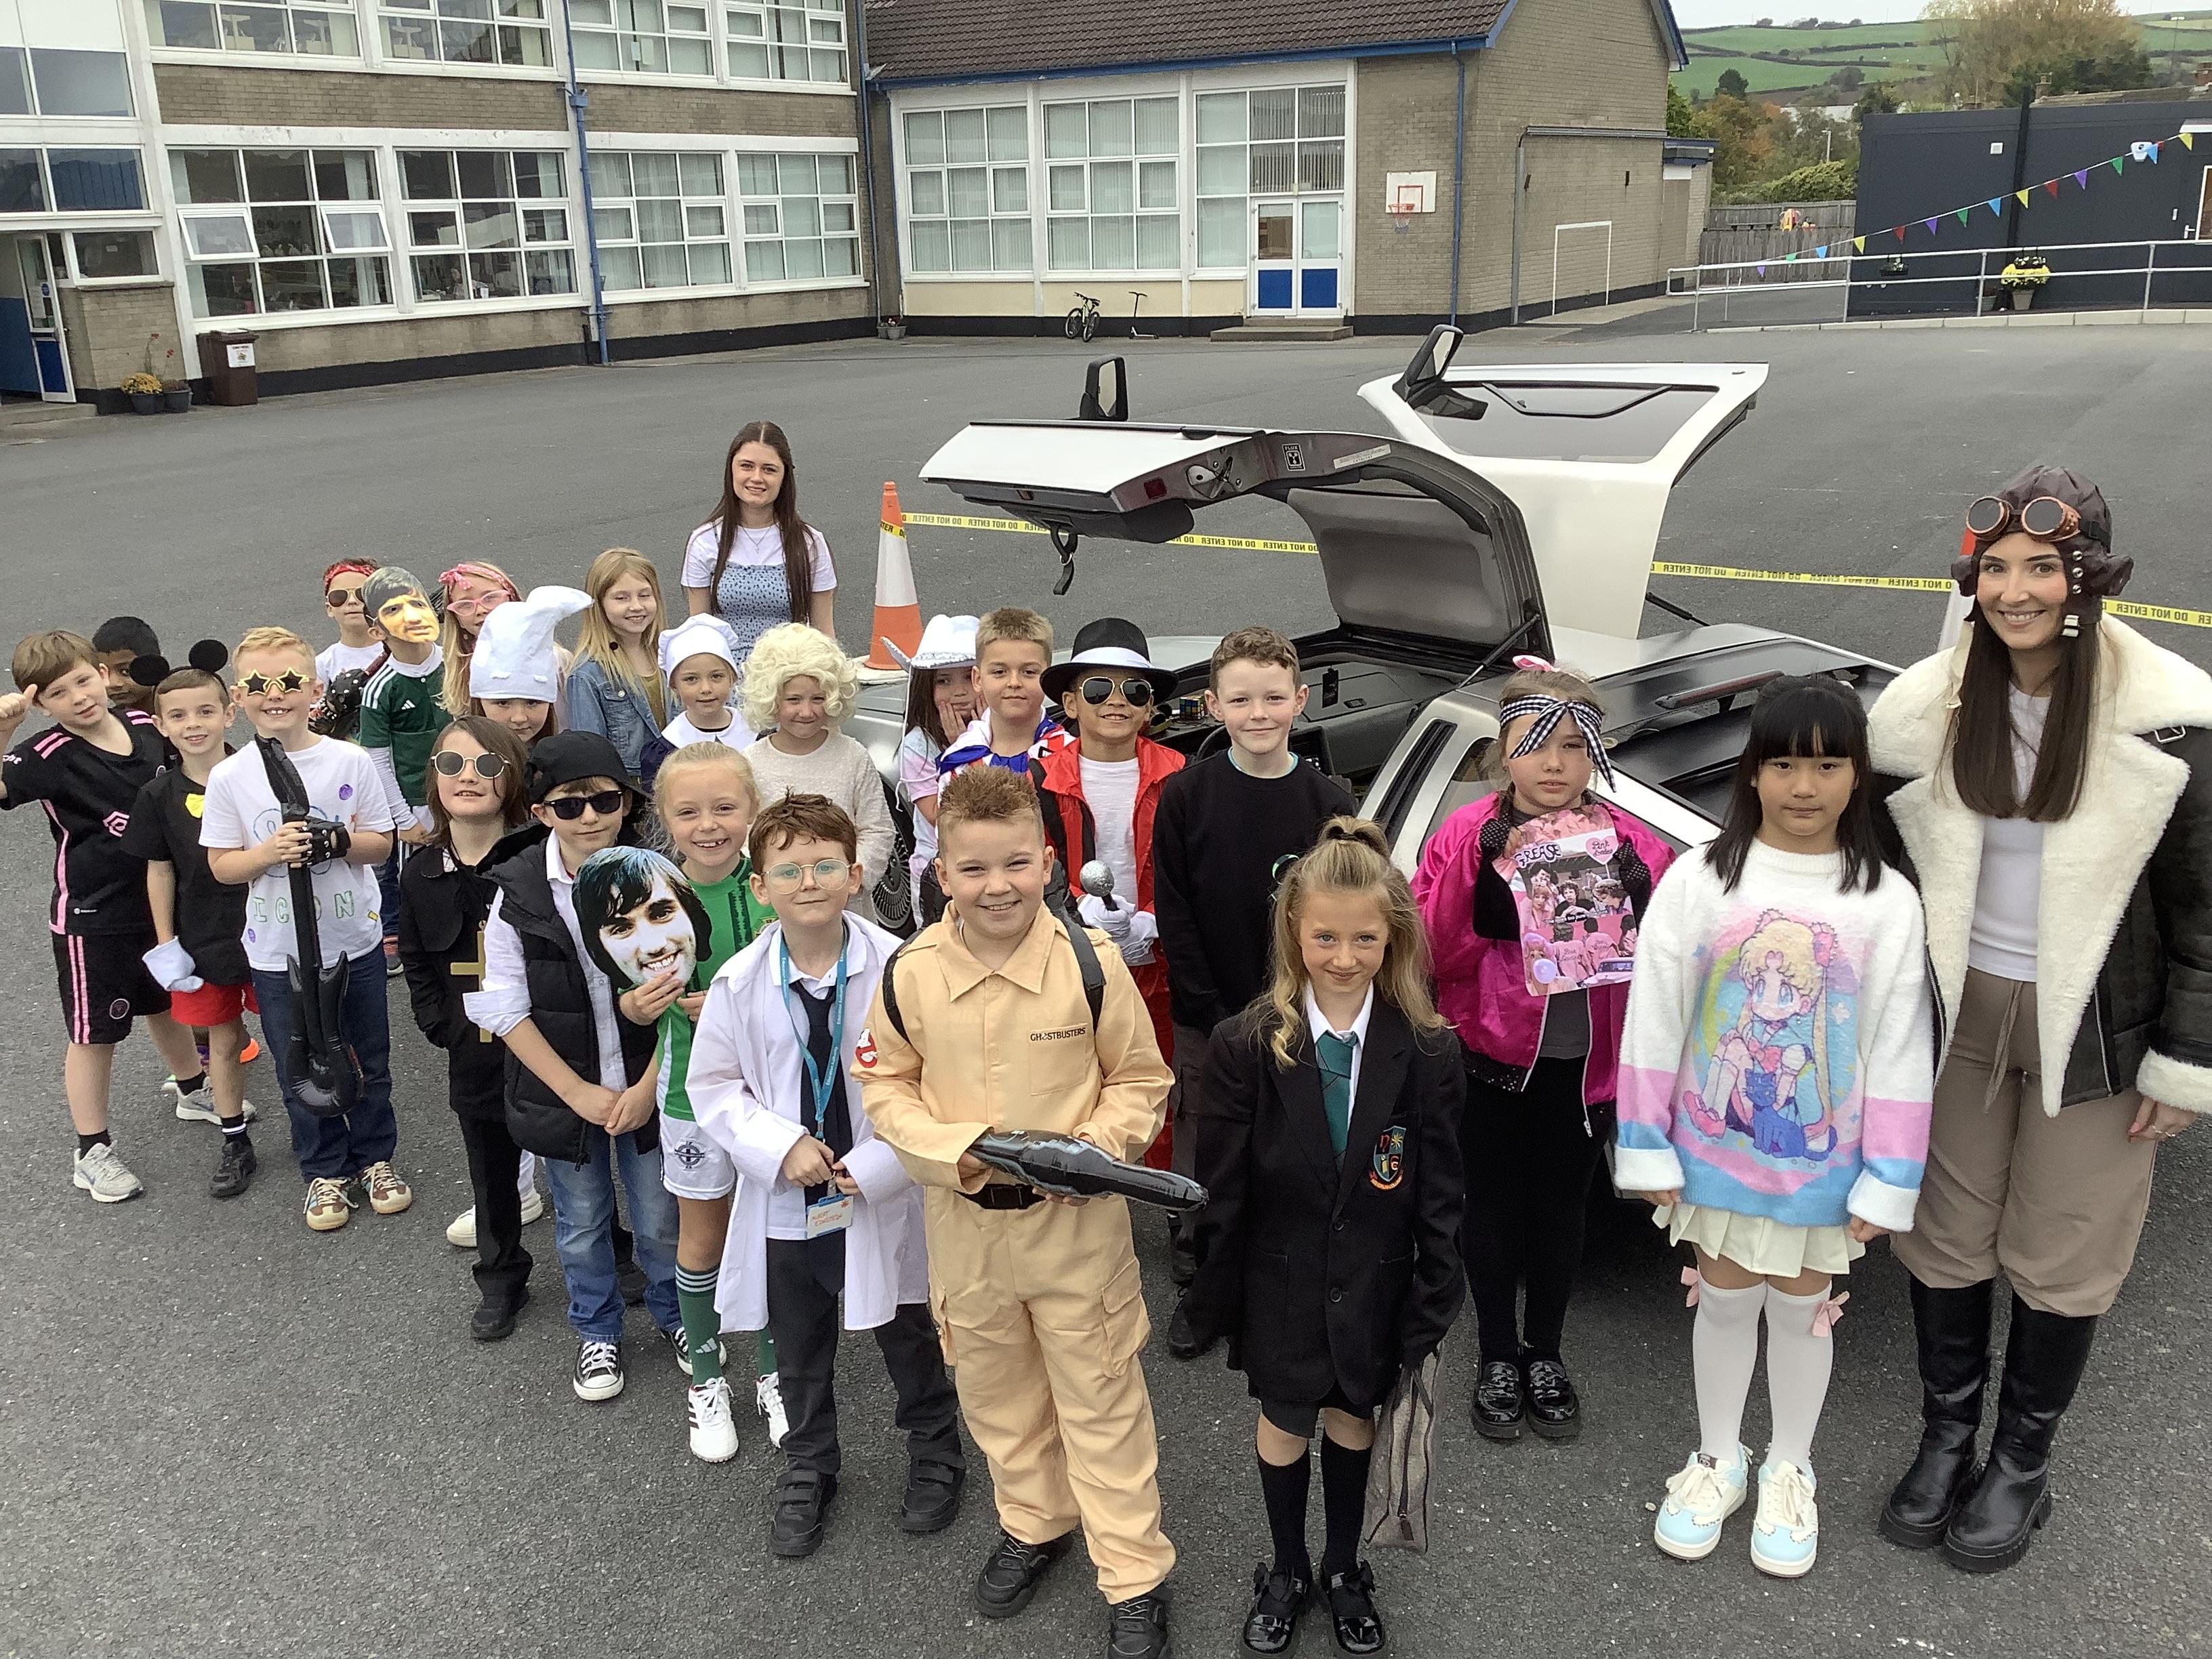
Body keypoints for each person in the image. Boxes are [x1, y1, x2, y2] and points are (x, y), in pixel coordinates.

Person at [1867, 467, 2212, 1574]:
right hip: (1958, 1009)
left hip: (2099, 1026)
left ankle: (2020, 1460)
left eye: (2040, 568)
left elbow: (2205, 910)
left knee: (2066, 1245)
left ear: (2086, 579)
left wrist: (2185, 1059)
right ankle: (1945, 1438)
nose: (2013, 590)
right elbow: (1871, 876)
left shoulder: (2170, 720)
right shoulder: (1923, 707)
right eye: (1995, 569)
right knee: (1943, 1232)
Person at [1614, 676, 1934, 1579]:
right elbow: (1656, 1015)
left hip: (1824, 1169)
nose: (1804, 785)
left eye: (1828, 765)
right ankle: (1718, 1458)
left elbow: (1902, 1044)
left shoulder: (1886, 901)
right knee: (1722, 1299)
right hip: (1712, 1157)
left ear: (1858, 775)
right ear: (1752, 772)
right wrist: (1644, 1140)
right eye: (1785, 763)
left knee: (1801, 1313)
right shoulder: (1700, 879)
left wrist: (1891, 1176)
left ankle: (1791, 1467)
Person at [855, 764, 1176, 1659]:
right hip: (967, 1232)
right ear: (942, 873)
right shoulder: (910, 974)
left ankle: (1134, 1573)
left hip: (1076, 1233)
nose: (997, 886)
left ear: (1047, 862)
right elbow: (886, 1089)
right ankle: (1036, 1522)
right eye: (973, 869)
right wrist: (957, 1150)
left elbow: (1140, 1080)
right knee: (999, 1398)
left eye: (1015, 865)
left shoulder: (1089, 964)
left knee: (1102, 1402)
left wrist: (1096, 1151)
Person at [1184, 817, 1466, 1657]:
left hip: (1378, 1282)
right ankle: (1286, 1567)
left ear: (1394, 937)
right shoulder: (1245, 1045)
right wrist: (1214, 1296)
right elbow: (1222, 1187)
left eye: (1365, 939)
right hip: (1278, 1283)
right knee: (1284, 1422)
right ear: (1294, 933)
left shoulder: (1427, 1051)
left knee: (1353, 1420)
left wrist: (1435, 1296)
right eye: (1326, 938)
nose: (1344, 957)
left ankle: (1344, 1567)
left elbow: (1442, 1189)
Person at [688, 793, 966, 1555]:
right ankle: (810, 1464)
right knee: (800, 1344)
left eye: (824, 866)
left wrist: (879, 1162)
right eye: (788, 870)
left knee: (907, 1329)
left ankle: (936, 1450)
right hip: (792, 1195)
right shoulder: (740, 983)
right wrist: (780, 1147)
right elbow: (715, 1088)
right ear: (759, 887)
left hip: (881, 1187)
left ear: (855, 874)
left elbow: (939, 1078)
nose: (807, 882)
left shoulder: (904, 969)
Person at [1410, 661, 1675, 1441]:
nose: (1553, 764)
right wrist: (1479, 872)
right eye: (1533, 744)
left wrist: (1643, 892)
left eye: (1571, 746)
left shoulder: (1631, 841)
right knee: (1488, 1206)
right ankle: (1498, 1350)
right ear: (1504, 752)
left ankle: (1546, 1351)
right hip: (1490, 1054)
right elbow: (1429, 950)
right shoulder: (1467, 832)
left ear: (1595, 754)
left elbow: (1666, 963)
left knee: (1563, 1208)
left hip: (1585, 1066)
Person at [466, 729, 684, 1404]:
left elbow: (688, 994)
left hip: (647, 1083)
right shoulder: (516, 891)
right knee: (582, 1222)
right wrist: (575, 1092)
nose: (589, 816)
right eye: (568, 805)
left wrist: (648, 1086)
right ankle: (597, 1328)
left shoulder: (658, 878)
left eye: (604, 800)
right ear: (540, 813)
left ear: (627, 802)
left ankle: (678, 1313)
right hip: (564, 1094)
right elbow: (502, 1008)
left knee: (660, 1217)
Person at [1152, 627, 1354, 1323]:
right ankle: (1200, 1272)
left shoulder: (1329, 803)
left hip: (1300, 1013)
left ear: (1300, 699)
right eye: (1240, 700)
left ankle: (1277, 1271)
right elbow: (1176, 909)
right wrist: (1211, 1010)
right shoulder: (1187, 795)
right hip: (1209, 1014)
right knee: (1206, 1141)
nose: (1258, 713)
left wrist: (1307, 1003)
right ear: (1213, 705)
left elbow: (1341, 916)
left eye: (1273, 697)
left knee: (1290, 1142)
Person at [201, 627, 408, 1231]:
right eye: (260, 684)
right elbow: (222, 865)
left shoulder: (349, 760)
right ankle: (324, 1168)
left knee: (368, 1053)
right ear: (239, 696)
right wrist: (268, 853)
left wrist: (338, 841)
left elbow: (381, 843)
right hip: (277, 949)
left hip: (352, 939)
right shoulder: (230, 776)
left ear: (314, 690)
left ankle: (375, 1158)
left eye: (290, 682)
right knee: (299, 1060)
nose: (276, 695)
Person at [614, 743, 784, 1459]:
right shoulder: (647, 897)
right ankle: (708, 1382)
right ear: (664, 818)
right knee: (703, 1238)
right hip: (689, 1094)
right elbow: (628, 998)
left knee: (770, 1231)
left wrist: (738, 1000)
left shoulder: (774, 886)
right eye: (688, 812)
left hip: (772, 1092)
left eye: (725, 808)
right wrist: (639, 1006)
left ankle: (775, 1372)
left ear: (753, 809)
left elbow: (808, 975)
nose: (708, 825)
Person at [0, 630, 208, 1202]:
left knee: (165, 1000)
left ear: (102, 673)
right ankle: (91, 1150)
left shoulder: (144, 725)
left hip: (158, 902)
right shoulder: (44, 755)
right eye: (59, 693)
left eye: (83, 680)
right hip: (93, 916)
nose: (79, 697)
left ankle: (193, 1088)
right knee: (94, 1033)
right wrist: (3, 731)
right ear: (42, 705)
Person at [398, 717, 544, 1341]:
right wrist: (437, 1022)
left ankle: (611, 1253)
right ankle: (501, 1275)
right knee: (490, 1168)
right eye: (452, 765)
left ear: (512, 778)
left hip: (546, 1039)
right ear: (434, 777)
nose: (469, 778)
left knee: (578, 1157)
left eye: (487, 766)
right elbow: (416, 958)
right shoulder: (420, 870)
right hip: (472, 1045)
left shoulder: (539, 857)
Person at [123, 658, 262, 1200]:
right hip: (205, 935)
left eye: (205, 711)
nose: (193, 724)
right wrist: (166, 941)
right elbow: (159, 869)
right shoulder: (156, 796)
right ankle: (235, 1140)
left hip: (271, 928)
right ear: (160, 725)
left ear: (230, 714)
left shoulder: (262, 775)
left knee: (301, 1028)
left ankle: (327, 1129)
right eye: (178, 716)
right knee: (223, 1039)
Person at [739, 623, 894, 920]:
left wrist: (848, 882)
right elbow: (745, 836)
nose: (807, 711)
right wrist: (778, 886)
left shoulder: (853, 756)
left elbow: (877, 829)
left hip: (847, 905)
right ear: (770, 699)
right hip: (778, 908)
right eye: (794, 700)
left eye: (818, 699)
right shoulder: (750, 763)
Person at [680, 421, 836, 663]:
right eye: (746, 466)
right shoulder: (704, 541)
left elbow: (823, 634)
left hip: (790, 675)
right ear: (731, 469)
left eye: (769, 469)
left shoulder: (809, 543)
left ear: (785, 476)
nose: (756, 478)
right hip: (726, 677)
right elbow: (700, 634)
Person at [890, 613, 977, 926]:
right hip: (938, 872)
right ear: (926, 687)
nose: (959, 691)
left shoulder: (1006, 732)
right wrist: (963, 751)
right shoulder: (919, 744)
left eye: (969, 676)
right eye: (944, 681)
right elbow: (941, 817)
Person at [358, 565, 451, 851]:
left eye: (418, 604)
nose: (412, 616)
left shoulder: (458, 666)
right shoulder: (379, 689)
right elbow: (378, 761)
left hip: (472, 795)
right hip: (418, 808)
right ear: (377, 631)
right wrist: (404, 819)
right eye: (393, 610)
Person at [565, 548, 671, 785]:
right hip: (632, 789)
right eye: (621, 598)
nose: (636, 606)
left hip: (680, 780)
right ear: (598, 605)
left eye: (644, 595)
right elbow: (591, 757)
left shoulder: (670, 654)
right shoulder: (587, 675)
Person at [939, 607, 1072, 777]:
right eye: (999, 672)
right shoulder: (958, 762)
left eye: (1029, 672)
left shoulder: (1071, 755)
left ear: (1047, 678)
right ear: (978, 679)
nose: (1014, 683)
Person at [470, 584, 590, 750]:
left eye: (533, 702)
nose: (519, 718)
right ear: (479, 702)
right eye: (503, 702)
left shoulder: (568, 759)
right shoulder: (463, 759)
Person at [658, 614, 754, 752]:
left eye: (716, 676)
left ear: (732, 678)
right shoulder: (667, 749)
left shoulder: (755, 738)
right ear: (674, 684)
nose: (706, 688)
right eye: (691, 679)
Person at [437, 560, 522, 718]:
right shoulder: (461, 672)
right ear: (457, 619)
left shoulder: (551, 658)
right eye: (465, 605)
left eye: (491, 598)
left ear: (512, 599)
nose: (481, 610)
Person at [314, 559, 385, 697]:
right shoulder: (322, 665)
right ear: (329, 608)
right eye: (339, 597)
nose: (352, 601)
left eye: (362, 594)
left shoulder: (403, 652)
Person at [93, 616, 161, 716]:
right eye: (103, 674)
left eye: (126, 672)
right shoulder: (111, 721)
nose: (112, 684)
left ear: (155, 665)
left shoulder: (180, 713)